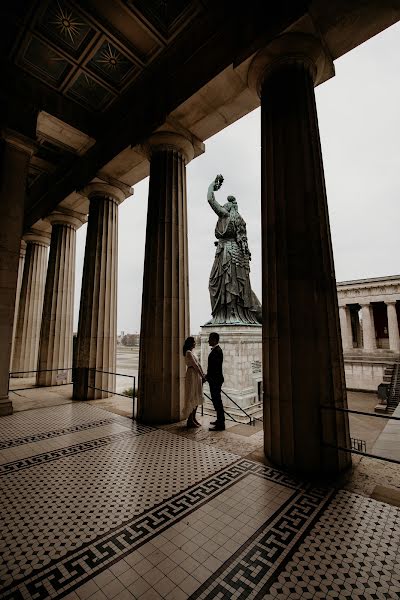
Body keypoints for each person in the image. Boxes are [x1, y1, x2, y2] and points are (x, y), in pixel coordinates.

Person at [206, 174, 261, 325]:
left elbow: (210, 199)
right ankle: (228, 314)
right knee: (230, 283)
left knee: (219, 282)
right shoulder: (240, 220)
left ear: (228, 208)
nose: (223, 207)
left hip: (227, 253)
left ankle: (226, 315)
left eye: (225, 205)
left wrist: (213, 185)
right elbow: (243, 242)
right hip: (235, 253)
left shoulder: (225, 215)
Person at [183, 336, 205, 428]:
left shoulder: (192, 352)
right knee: (192, 395)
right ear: (190, 343)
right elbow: (195, 365)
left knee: (196, 395)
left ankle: (193, 418)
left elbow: (199, 364)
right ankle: (190, 420)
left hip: (196, 375)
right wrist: (202, 375)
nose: (195, 343)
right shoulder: (188, 352)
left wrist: (203, 374)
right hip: (192, 374)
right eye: (194, 342)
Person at [206, 331, 225, 431]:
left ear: (214, 340)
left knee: (217, 402)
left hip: (215, 381)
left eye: (209, 338)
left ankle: (221, 424)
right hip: (214, 380)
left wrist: (207, 377)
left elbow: (214, 369)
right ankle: (219, 420)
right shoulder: (216, 350)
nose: (208, 340)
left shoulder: (217, 351)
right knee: (216, 401)